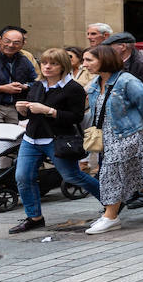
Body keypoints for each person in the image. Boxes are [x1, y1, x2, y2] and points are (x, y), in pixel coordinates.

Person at [81, 45, 143, 234]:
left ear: (105, 60)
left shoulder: (127, 81)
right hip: (108, 136)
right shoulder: (94, 84)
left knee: (111, 173)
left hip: (131, 134)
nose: (84, 65)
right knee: (138, 174)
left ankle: (110, 216)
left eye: (89, 60)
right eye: (84, 60)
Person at [9, 48, 101, 234]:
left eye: (53, 63)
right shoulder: (37, 85)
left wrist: (48, 110)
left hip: (57, 139)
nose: (47, 67)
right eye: (44, 63)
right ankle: (34, 217)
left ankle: (112, 202)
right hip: (31, 139)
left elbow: (75, 117)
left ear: (63, 66)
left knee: (72, 176)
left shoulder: (73, 88)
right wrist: (22, 110)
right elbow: (32, 114)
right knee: (23, 177)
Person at [0, 26, 37, 169]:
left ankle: (11, 182)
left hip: (16, 110)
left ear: (22, 44)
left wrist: (25, 86)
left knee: (16, 148)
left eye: (16, 42)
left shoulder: (24, 60)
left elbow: (36, 82)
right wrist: (1, 88)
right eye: (7, 41)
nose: (11, 45)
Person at [104, 32, 143, 102]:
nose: (107, 51)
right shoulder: (117, 62)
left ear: (123, 47)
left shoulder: (142, 64)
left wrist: (138, 108)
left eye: (110, 47)